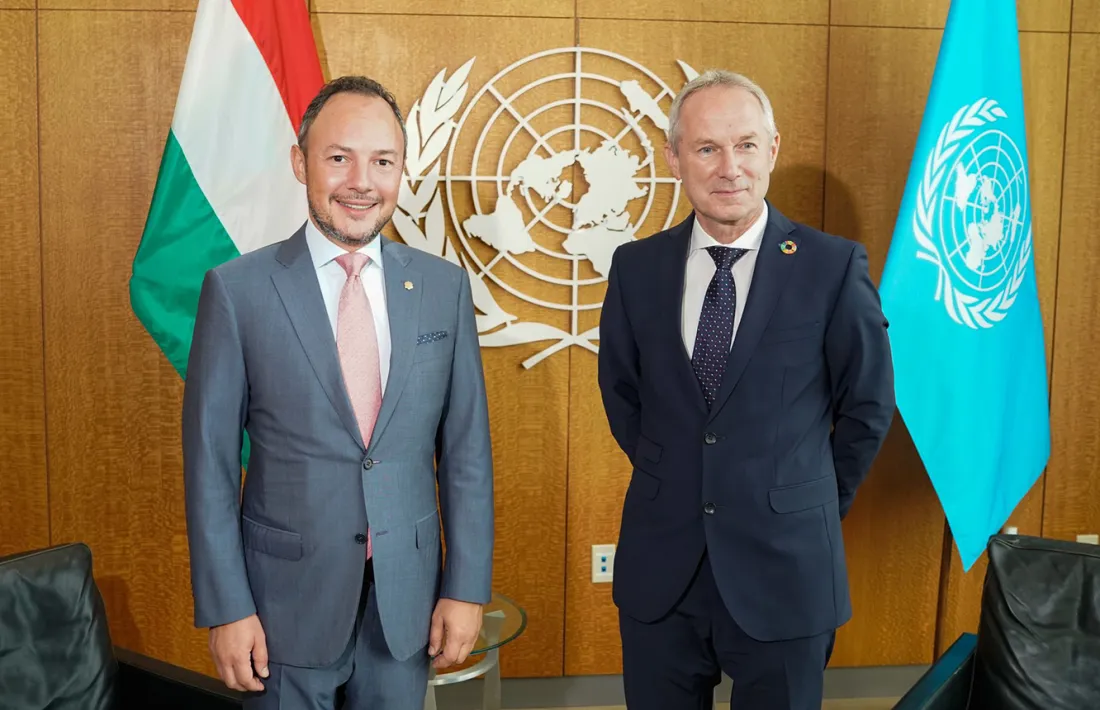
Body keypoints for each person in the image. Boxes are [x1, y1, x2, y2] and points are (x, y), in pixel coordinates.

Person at [182, 75, 494, 710]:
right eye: (338, 157)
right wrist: (226, 606)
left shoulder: (443, 288)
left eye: (382, 161)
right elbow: (209, 463)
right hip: (280, 608)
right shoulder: (238, 291)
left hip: (405, 606)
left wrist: (466, 587)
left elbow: (466, 454)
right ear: (300, 163)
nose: (361, 182)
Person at [597, 69, 895, 710]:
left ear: (773, 149)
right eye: (707, 148)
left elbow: (867, 407)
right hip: (663, 569)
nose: (730, 168)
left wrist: (805, 498)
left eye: (746, 145)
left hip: (787, 567)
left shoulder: (832, 266)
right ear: (674, 158)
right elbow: (623, 395)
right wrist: (681, 476)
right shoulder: (636, 268)